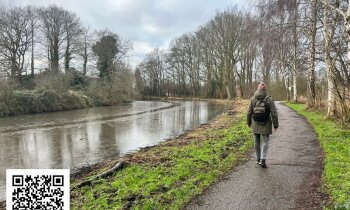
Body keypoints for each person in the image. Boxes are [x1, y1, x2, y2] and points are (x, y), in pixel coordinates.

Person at [247, 82, 279, 168]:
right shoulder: (269, 99)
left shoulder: (253, 98)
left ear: (258, 88)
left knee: (256, 140)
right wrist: (276, 125)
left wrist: (248, 123)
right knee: (265, 141)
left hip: (255, 122)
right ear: (265, 89)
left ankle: (257, 159)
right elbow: (274, 113)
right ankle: (263, 160)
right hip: (266, 123)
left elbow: (249, 112)